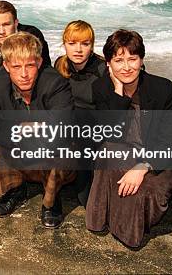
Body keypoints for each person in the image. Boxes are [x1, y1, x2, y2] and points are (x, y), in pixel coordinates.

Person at [86, 29, 172, 248]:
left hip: (161, 156)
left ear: (141, 60)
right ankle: (103, 218)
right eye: (118, 60)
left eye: (132, 59)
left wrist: (142, 166)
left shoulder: (163, 89)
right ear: (108, 64)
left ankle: (127, 230)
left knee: (143, 190)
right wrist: (118, 94)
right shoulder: (101, 88)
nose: (126, 67)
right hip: (124, 150)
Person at [0, 32, 76, 228]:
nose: (24, 74)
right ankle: (16, 189)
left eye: (29, 65)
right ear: (6, 66)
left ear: (38, 62)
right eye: (16, 66)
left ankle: (51, 200)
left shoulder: (55, 83)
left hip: (53, 161)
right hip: (23, 154)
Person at [54, 20, 107, 206]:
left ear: (92, 46)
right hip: (69, 125)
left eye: (85, 44)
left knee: (86, 201)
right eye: (72, 43)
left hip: (95, 129)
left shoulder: (103, 69)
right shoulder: (60, 65)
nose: (78, 49)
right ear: (64, 44)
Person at [0, 0, 51, 80]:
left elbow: (46, 70)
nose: (1, 32)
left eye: (6, 24)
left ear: (16, 23)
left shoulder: (32, 36)